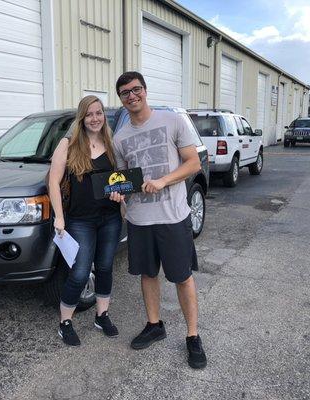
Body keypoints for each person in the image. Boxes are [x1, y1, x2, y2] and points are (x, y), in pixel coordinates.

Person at [110, 71, 207, 369]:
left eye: (136, 89)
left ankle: (193, 336)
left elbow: (192, 162)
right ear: (121, 98)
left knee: (182, 277)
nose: (131, 96)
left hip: (172, 217)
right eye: (125, 92)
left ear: (145, 90)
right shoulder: (121, 137)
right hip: (140, 220)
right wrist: (118, 193)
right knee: (147, 274)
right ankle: (155, 325)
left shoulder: (172, 121)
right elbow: (122, 179)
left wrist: (164, 180)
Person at [48, 95, 122, 346]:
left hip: (110, 217)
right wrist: (59, 216)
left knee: (104, 267)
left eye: (99, 113)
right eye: (89, 114)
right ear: (82, 117)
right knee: (79, 273)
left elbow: (121, 180)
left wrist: (120, 192)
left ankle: (102, 316)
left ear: (104, 115)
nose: (95, 118)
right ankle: (65, 322)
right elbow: (53, 183)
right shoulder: (68, 144)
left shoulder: (110, 143)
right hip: (80, 220)